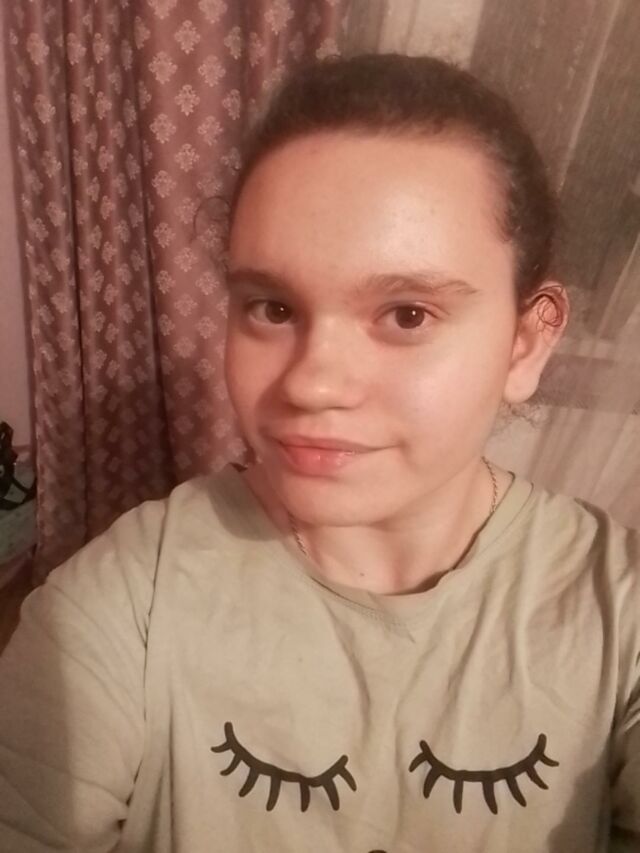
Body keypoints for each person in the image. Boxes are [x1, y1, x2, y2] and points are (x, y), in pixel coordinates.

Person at [0, 52, 638, 853]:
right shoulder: (129, 599)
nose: (310, 383)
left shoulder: (619, 614)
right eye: (271, 307)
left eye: (407, 314)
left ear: (526, 341)